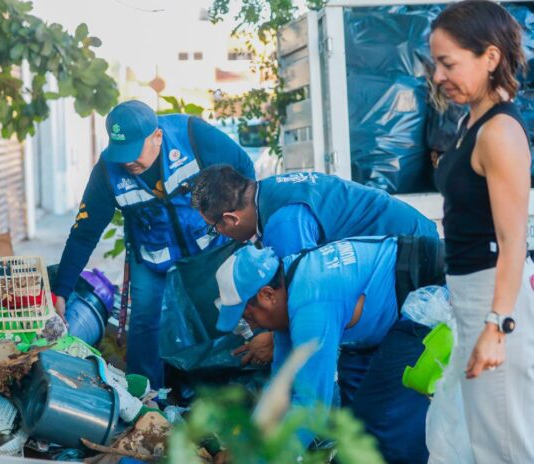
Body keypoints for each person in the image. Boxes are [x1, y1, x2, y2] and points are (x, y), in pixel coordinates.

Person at [191, 166, 438, 403]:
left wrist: (274, 342)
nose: (219, 235)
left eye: (214, 229)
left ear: (231, 218)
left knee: (370, 385)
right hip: (399, 249)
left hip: (411, 265)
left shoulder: (284, 225)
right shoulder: (266, 194)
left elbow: (294, 304)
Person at [53, 100, 255, 389]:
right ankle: (148, 398)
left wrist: (247, 227)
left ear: (157, 137)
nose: (127, 162)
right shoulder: (107, 172)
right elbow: (85, 232)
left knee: (222, 313)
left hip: (210, 246)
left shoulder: (192, 135)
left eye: (134, 152)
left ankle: (224, 390)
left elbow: (244, 169)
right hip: (151, 253)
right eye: (121, 153)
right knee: (146, 324)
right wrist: (61, 290)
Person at [214, 236, 445, 463]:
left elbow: (312, 406)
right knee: (363, 417)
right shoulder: (290, 282)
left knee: (378, 421)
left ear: (267, 295)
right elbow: (281, 387)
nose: (253, 326)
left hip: (432, 296)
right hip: (410, 288)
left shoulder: (311, 304)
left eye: (249, 316)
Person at [431, 1, 534, 462]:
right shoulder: (467, 123)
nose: (438, 76)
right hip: (472, 299)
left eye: (448, 63)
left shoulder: (500, 133)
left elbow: (514, 241)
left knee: (506, 446)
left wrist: (497, 325)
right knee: (470, 438)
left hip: (495, 302)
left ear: (490, 57)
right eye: (437, 63)